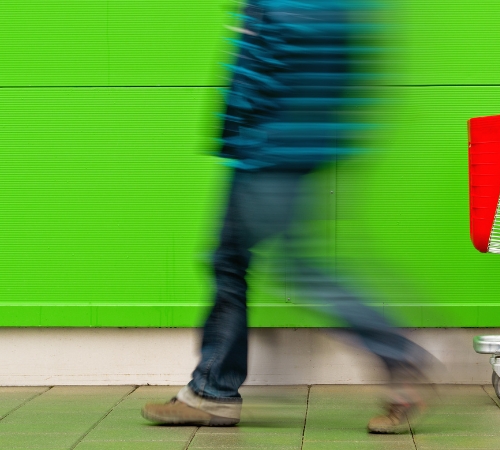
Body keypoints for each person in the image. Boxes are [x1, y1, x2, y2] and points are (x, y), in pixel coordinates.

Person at [141, 0, 430, 434]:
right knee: (228, 260)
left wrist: (237, 133)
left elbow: (257, 72)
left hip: (268, 149)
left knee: (300, 269)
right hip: (284, 145)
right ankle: (211, 392)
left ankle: (398, 356)